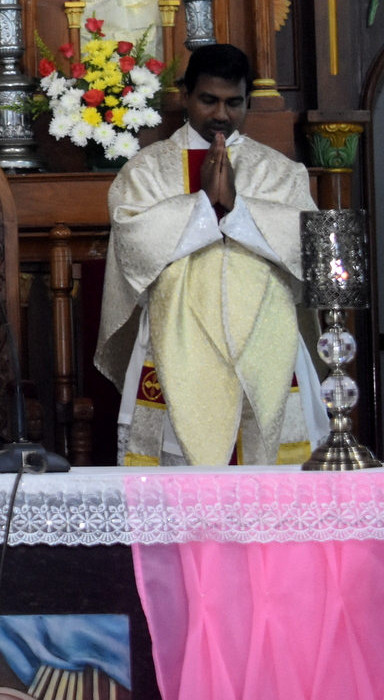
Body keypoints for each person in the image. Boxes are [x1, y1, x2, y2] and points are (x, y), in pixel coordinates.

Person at [96, 44, 326, 466]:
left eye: (233, 103)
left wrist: (236, 207)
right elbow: (136, 243)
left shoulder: (278, 169)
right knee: (182, 491)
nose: (221, 114)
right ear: (185, 95)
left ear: (247, 101)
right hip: (175, 336)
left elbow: (303, 245)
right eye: (209, 100)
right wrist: (202, 204)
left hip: (266, 338)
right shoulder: (147, 170)